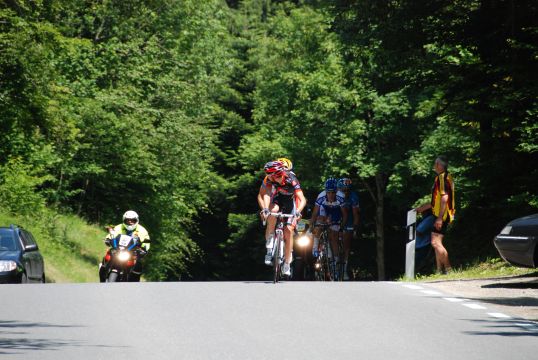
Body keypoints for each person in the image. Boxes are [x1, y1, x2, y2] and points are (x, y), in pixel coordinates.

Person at [257, 160, 307, 276]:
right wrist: (265, 209)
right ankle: (269, 246)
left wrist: (298, 212)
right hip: (277, 199)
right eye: (270, 176)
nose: (272, 178)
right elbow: (266, 195)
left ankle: (287, 263)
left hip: (290, 202)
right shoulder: (269, 178)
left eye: (273, 175)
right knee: (272, 211)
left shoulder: (291, 179)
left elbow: (302, 199)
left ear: (278, 173)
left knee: (289, 230)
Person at [415, 156, 455, 274]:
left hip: (441, 216)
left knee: (435, 243)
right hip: (441, 214)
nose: (434, 166)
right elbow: (436, 202)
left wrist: (439, 218)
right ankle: (439, 271)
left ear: (439, 165)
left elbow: (444, 198)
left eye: (435, 164)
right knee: (437, 243)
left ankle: (449, 269)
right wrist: (422, 208)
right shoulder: (445, 177)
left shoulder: (442, 178)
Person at [309, 177, 348, 278]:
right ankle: (315, 246)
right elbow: (314, 213)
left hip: (336, 212)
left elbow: (344, 215)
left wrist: (341, 228)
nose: (330, 195)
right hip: (324, 210)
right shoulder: (321, 196)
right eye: (328, 192)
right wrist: (311, 226)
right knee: (319, 222)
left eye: (333, 192)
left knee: (333, 236)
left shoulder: (341, 197)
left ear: (336, 191)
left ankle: (334, 262)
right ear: (325, 192)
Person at [99, 210, 151, 282]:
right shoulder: (119, 227)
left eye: (132, 220)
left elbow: (146, 241)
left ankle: (134, 284)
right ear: (124, 220)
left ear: (137, 220)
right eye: (128, 220)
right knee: (107, 255)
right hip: (118, 249)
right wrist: (108, 239)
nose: (130, 222)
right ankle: (102, 275)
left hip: (132, 251)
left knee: (138, 265)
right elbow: (112, 234)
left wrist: (144, 249)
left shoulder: (142, 230)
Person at [337, 177, 360, 280]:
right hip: (336, 218)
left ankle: (344, 269)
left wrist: (355, 229)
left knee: (346, 246)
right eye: (342, 190)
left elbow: (356, 214)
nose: (345, 192)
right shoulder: (334, 194)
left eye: (347, 190)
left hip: (348, 220)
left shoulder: (353, 196)